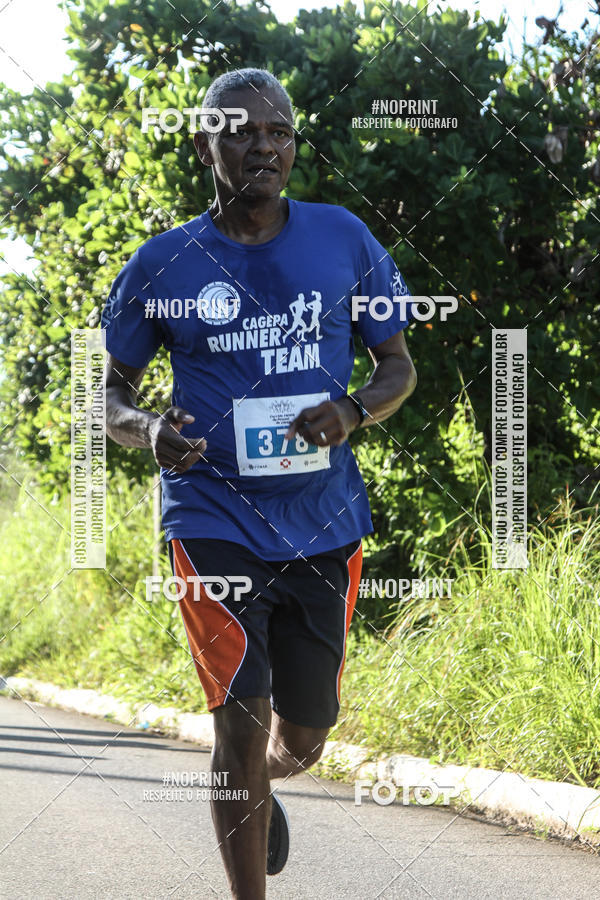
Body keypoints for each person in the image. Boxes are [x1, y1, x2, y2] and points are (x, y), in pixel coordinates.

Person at [102, 67, 417, 900]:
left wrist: (351, 412)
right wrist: (149, 433)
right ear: (206, 144)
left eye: (278, 132)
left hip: (323, 520)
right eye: (242, 132)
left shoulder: (344, 237)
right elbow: (108, 393)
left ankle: (270, 780)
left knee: (303, 736)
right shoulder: (162, 263)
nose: (264, 146)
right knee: (237, 725)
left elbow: (398, 367)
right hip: (211, 517)